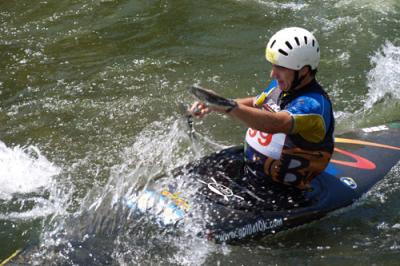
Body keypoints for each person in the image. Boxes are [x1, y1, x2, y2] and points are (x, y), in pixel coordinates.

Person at [189, 27, 335, 190]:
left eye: (280, 68)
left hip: (283, 189)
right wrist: (216, 104)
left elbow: (276, 124)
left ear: (304, 71)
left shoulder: (313, 105)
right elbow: (256, 102)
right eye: (273, 66)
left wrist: (228, 107)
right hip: (251, 168)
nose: (272, 74)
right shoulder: (283, 85)